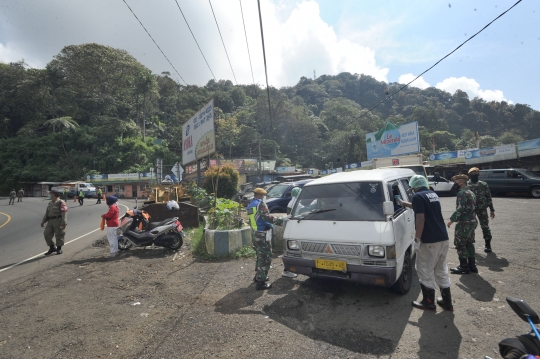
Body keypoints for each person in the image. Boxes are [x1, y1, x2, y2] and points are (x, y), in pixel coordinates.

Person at [400, 175, 453, 311]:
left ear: (413, 186)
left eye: (411, 188)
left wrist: (417, 239)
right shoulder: (432, 194)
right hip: (443, 238)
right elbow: (420, 207)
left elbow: (420, 218)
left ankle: (428, 302)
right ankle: (447, 302)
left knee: (424, 269)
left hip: (430, 240)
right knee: (441, 269)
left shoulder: (417, 196)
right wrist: (403, 203)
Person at [247, 187, 284, 290]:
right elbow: (266, 217)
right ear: (260, 195)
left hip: (255, 233)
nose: (264, 197)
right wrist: (281, 221)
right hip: (263, 234)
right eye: (263, 195)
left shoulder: (250, 205)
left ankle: (258, 276)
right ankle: (261, 282)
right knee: (266, 257)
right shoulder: (261, 204)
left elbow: (255, 219)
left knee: (260, 255)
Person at [447, 174, 478, 274]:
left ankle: (464, 267)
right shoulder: (471, 192)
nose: (455, 184)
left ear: (461, 182)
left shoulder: (462, 193)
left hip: (464, 222)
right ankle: (472, 266)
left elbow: (460, 209)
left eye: (456, 182)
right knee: (469, 243)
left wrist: (452, 220)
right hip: (472, 221)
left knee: (460, 243)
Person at [467, 167, 495, 253]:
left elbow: (488, 197)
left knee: (485, 227)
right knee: (471, 227)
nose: (474, 176)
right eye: (472, 175)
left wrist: (492, 209)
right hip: (471, 210)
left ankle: (488, 245)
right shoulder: (467, 185)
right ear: (470, 176)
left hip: (482, 209)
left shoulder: (483, 184)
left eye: (476, 175)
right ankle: (470, 244)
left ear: (478, 175)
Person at [41, 189, 68, 255]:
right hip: (50, 221)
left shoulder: (61, 203)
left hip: (58, 220)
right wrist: (43, 221)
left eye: (51, 194)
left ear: (54, 194)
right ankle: (52, 247)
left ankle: (59, 248)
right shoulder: (50, 203)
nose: (50, 195)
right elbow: (47, 213)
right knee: (46, 234)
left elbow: (64, 213)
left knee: (59, 234)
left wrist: (63, 222)